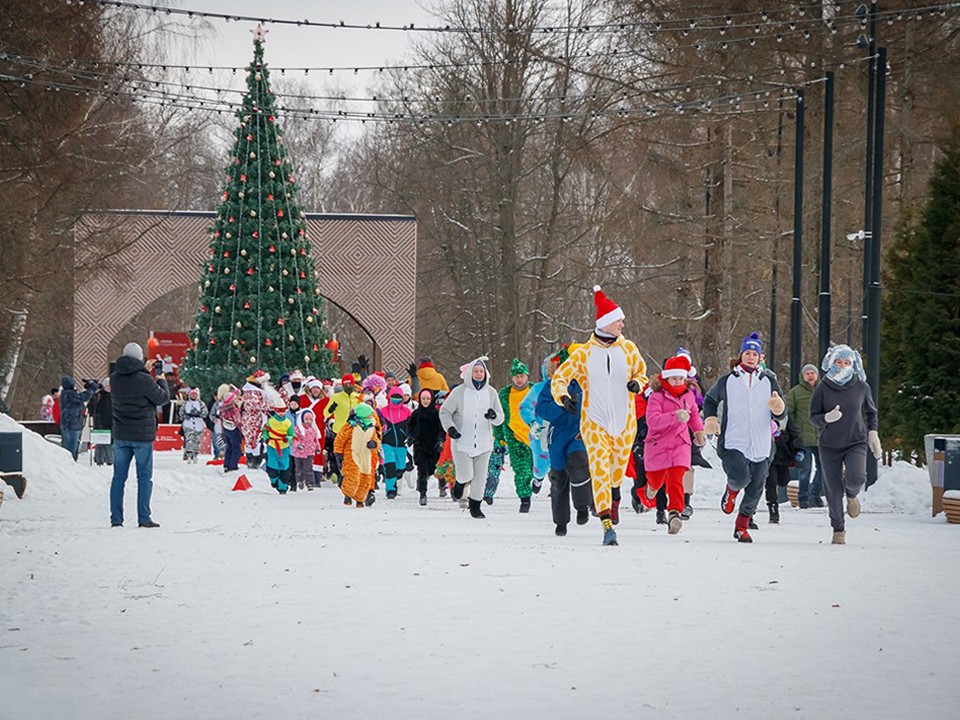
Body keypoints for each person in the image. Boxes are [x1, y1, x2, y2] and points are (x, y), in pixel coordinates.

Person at [551, 286, 647, 546]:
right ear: (605, 323)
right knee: (600, 470)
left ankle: (615, 494)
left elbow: (642, 373)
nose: (622, 324)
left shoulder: (629, 349)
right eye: (619, 321)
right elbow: (560, 378)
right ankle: (606, 525)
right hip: (594, 421)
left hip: (624, 422)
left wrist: (637, 384)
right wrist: (563, 397)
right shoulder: (583, 354)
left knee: (616, 473)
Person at [702, 332, 787, 543]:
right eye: (747, 353)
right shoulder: (728, 381)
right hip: (734, 440)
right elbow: (710, 400)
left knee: (756, 487)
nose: (751, 357)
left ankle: (741, 527)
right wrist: (711, 418)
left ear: (760, 358)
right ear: (741, 355)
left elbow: (782, 411)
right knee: (740, 477)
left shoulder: (769, 381)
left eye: (754, 354)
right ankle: (731, 491)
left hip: (761, 443)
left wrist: (779, 409)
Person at [809, 344, 882, 545]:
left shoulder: (861, 386)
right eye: (838, 362)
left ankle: (851, 495)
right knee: (833, 490)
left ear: (853, 364)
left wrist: (873, 433)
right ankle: (838, 529)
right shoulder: (823, 387)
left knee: (857, 478)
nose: (842, 366)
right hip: (829, 445)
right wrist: (826, 418)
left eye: (846, 362)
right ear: (831, 362)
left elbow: (871, 412)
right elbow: (813, 417)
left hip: (855, 441)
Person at [637, 355, 706, 535]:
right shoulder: (657, 396)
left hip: (680, 444)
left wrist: (698, 432)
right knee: (657, 479)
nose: (677, 382)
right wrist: (675, 416)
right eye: (674, 378)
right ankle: (651, 488)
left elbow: (694, 415)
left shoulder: (689, 396)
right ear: (666, 378)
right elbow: (652, 421)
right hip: (658, 444)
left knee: (676, 479)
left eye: (681, 378)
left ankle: (675, 513)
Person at [109, 342, 170, 528]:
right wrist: (161, 379)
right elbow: (162, 398)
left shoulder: (114, 378)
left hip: (121, 433)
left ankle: (116, 519)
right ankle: (144, 517)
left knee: (118, 478)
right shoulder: (145, 380)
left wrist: (143, 370)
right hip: (142, 436)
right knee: (144, 478)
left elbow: (131, 380)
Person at [535, 345, 593, 536]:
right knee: (558, 478)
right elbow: (541, 409)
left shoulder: (588, 383)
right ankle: (561, 522)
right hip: (558, 435)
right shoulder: (552, 385)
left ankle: (583, 506)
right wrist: (562, 404)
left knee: (579, 463)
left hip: (579, 433)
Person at [439, 357, 505, 519]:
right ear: (469, 373)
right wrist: (451, 428)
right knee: (466, 475)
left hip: (484, 443)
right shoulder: (459, 392)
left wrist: (494, 416)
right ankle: (460, 483)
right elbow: (445, 412)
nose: (478, 374)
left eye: (481, 371)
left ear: (486, 373)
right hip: (461, 442)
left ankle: (475, 506)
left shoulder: (491, 392)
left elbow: (501, 417)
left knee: (480, 479)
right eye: (476, 371)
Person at [491, 358, 535, 512]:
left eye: (521, 376)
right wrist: (499, 436)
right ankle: (525, 499)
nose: (519, 379)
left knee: (536, 469)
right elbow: (499, 417)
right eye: (516, 376)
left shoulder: (535, 390)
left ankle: (537, 481)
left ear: (527, 376)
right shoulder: (504, 394)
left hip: (535, 436)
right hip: (514, 437)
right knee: (521, 470)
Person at [787, 363, 825, 508]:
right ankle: (803, 499)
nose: (810, 376)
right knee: (805, 469)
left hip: (821, 437)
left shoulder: (824, 390)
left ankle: (815, 494)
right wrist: (793, 431)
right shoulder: (795, 392)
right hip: (803, 438)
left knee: (823, 469)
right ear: (803, 376)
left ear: (817, 375)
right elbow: (789, 412)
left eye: (812, 373)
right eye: (807, 373)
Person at [335, 403, 381, 507]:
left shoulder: (372, 427)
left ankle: (360, 499)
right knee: (353, 475)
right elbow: (340, 439)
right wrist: (338, 452)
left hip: (366, 455)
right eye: (369, 415)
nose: (371, 416)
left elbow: (376, 440)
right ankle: (348, 494)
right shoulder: (350, 426)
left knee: (365, 477)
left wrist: (374, 444)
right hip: (352, 453)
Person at [407, 388, 446, 506]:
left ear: (432, 399)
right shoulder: (416, 414)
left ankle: (442, 485)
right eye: (423, 398)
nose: (425, 401)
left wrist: (440, 440)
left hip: (434, 446)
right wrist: (411, 436)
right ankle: (422, 494)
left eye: (428, 398)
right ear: (420, 399)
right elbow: (410, 426)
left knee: (434, 469)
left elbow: (441, 429)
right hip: (420, 446)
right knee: (422, 470)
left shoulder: (437, 414)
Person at [764, 414, 804, 523]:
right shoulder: (761, 414)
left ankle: (773, 505)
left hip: (782, 454)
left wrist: (799, 449)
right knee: (771, 482)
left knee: (783, 481)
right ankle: (773, 509)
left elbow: (794, 433)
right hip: (766, 455)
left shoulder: (785, 416)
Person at [324, 374, 361, 482]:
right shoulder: (336, 397)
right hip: (339, 430)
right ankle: (340, 474)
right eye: (346, 384)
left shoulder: (358, 397)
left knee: (353, 454)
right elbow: (325, 413)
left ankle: (351, 475)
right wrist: (331, 409)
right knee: (339, 454)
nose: (348, 386)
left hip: (355, 430)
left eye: (350, 384)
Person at [378, 386, 411, 499]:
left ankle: (397, 477)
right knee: (390, 466)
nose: (396, 399)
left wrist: (410, 436)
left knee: (400, 467)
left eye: (398, 397)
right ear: (389, 397)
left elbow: (411, 427)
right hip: (387, 443)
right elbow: (378, 425)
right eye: (393, 397)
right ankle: (390, 490)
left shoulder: (407, 412)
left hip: (402, 444)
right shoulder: (383, 411)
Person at [262, 389, 295, 494]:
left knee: (284, 468)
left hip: (284, 447)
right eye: (279, 410)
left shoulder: (288, 423)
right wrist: (266, 438)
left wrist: (288, 439)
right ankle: (274, 481)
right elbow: (265, 431)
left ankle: (283, 487)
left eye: (283, 410)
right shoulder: (271, 421)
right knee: (272, 467)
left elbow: (291, 435)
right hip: (272, 446)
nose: (281, 413)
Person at [58, 375, 97, 460]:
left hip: (67, 423)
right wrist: (91, 389)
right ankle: (70, 460)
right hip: (72, 424)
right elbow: (83, 397)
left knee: (68, 444)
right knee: (71, 445)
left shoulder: (64, 394)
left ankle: (69, 460)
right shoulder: (69, 394)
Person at [241, 370, 270, 469]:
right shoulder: (250, 391)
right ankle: (253, 461)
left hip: (258, 420)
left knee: (257, 441)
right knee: (253, 441)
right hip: (252, 421)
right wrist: (270, 404)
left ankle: (256, 460)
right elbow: (256, 405)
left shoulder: (257, 390)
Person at [292, 408, 322, 490]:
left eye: (310, 419)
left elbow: (315, 440)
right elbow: (295, 439)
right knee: (299, 468)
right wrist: (298, 445)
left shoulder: (313, 430)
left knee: (308, 468)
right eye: (306, 419)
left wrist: (318, 447)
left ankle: (310, 483)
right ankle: (300, 481)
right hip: (299, 452)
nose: (308, 421)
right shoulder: (297, 429)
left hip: (309, 452)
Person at [178, 387, 208, 464]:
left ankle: (195, 454)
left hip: (198, 424)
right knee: (189, 440)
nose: (193, 396)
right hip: (188, 424)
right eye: (192, 394)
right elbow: (181, 412)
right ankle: (188, 455)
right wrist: (185, 416)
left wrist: (199, 414)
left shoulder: (201, 403)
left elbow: (205, 413)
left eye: (195, 394)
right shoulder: (186, 403)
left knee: (197, 440)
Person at [218, 385, 243, 472]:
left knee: (229, 447)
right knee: (236, 448)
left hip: (225, 429)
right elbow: (238, 420)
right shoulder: (233, 409)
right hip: (234, 430)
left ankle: (226, 464)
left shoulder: (222, 409)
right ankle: (233, 465)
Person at [91, 378, 114, 466]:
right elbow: (92, 408)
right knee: (100, 442)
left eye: (110, 386)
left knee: (110, 443)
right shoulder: (99, 395)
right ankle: (99, 460)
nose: (109, 388)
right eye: (107, 386)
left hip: (112, 422)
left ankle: (110, 460)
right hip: (100, 422)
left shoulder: (115, 395)